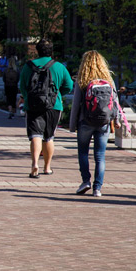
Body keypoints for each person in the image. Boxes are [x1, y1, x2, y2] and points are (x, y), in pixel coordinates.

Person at [19, 38, 73, 178]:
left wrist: (28, 97)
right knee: (49, 137)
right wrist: (58, 94)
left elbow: (23, 86)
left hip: (33, 105)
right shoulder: (59, 66)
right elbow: (69, 85)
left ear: (37, 50)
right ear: (51, 51)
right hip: (53, 105)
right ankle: (47, 167)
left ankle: (34, 164)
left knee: (35, 135)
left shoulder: (28, 66)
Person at [70, 50, 121, 197]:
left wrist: (72, 125)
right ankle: (97, 188)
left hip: (85, 121)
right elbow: (115, 102)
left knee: (83, 152)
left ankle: (86, 181)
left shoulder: (83, 79)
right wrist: (116, 120)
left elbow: (75, 104)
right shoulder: (108, 79)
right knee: (100, 156)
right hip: (104, 122)